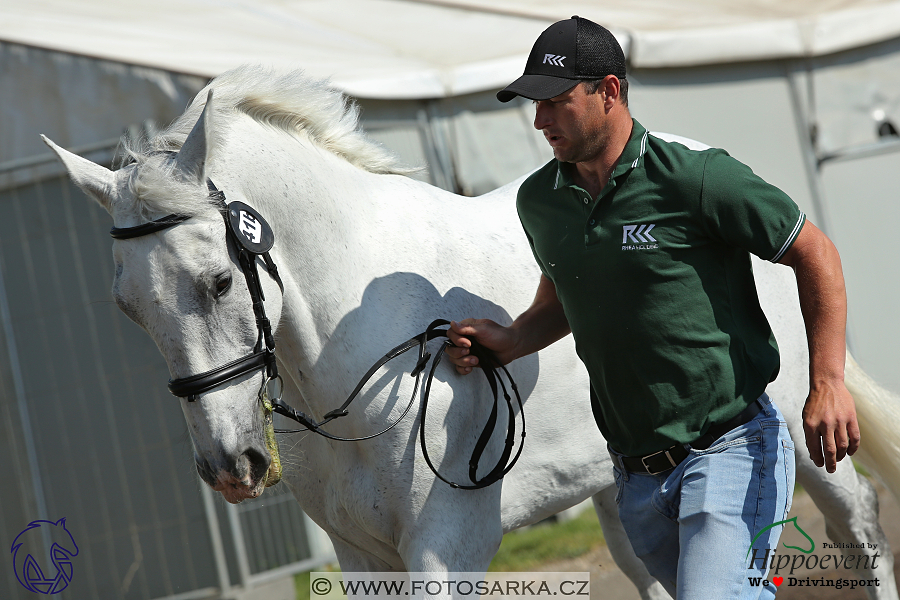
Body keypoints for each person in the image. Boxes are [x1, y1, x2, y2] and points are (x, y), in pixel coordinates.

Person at [446, 15, 860, 599]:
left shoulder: (697, 178)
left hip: (731, 450)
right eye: (533, 105)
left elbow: (816, 253)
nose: (539, 121)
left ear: (608, 91)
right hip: (635, 481)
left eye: (556, 102)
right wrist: (512, 340)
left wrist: (829, 379)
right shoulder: (539, 202)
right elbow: (567, 294)